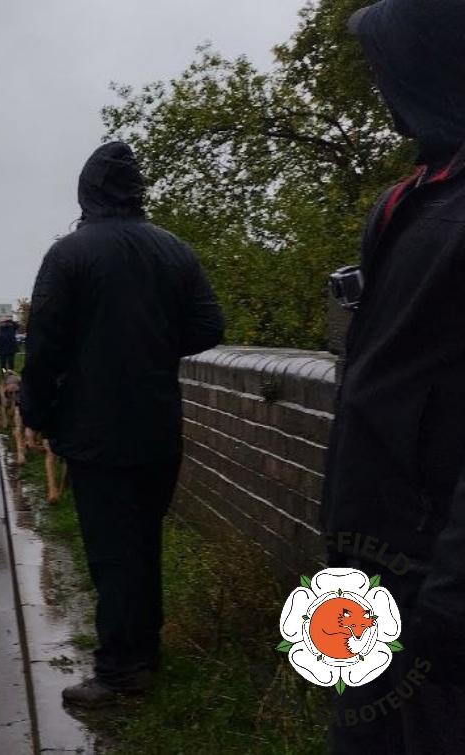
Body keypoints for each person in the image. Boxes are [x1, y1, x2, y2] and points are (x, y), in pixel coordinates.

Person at [20, 141, 223, 708]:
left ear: (87, 192)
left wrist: (35, 411)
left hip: (95, 427)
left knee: (112, 552)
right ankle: (144, 652)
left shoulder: (71, 254)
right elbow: (210, 325)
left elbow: (44, 345)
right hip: (158, 426)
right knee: (142, 541)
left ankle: (118, 673)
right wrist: (152, 343)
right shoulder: (174, 251)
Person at [320, 3, 465, 752]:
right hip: (366, 550)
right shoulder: (408, 195)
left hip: (433, 575)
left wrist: (451, 602)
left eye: (390, 67)